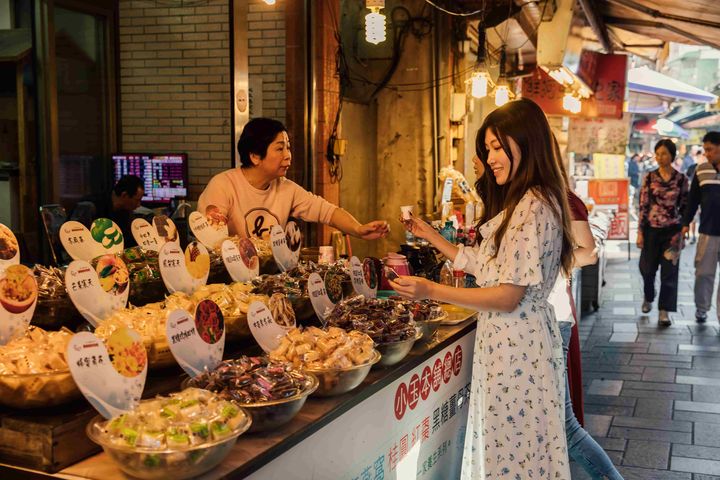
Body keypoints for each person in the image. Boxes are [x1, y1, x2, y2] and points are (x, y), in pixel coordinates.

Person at [392, 98, 573, 479]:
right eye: (487, 149)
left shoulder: (533, 206)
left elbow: (506, 296)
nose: (490, 158)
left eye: (496, 147)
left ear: (526, 142)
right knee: (514, 454)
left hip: (517, 353)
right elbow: (489, 268)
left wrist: (431, 290)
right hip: (515, 348)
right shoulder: (528, 200)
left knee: (513, 457)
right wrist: (430, 235)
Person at [198, 118, 389, 241]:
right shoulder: (223, 185)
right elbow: (210, 240)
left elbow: (327, 211)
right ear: (255, 156)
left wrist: (358, 229)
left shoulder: (285, 188)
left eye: (288, 147)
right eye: (280, 149)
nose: (288, 155)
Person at [637, 139, 689, 326]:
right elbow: (643, 205)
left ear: (672, 156)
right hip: (651, 231)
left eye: (664, 153)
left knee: (669, 273)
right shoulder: (649, 178)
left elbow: (685, 207)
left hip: (672, 233)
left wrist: (684, 229)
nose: (660, 157)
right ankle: (648, 296)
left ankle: (664, 310)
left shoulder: (681, 179)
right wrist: (640, 232)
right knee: (647, 269)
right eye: (658, 153)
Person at [682, 131, 720, 323]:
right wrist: (685, 224)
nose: (707, 154)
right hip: (708, 231)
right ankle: (701, 309)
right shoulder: (701, 169)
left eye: (710, 150)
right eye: (705, 150)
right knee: (704, 272)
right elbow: (693, 200)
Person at [70, 175, 145, 248]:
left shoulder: (126, 211)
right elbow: (76, 242)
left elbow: (129, 242)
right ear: (124, 195)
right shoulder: (90, 206)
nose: (138, 205)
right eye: (137, 200)